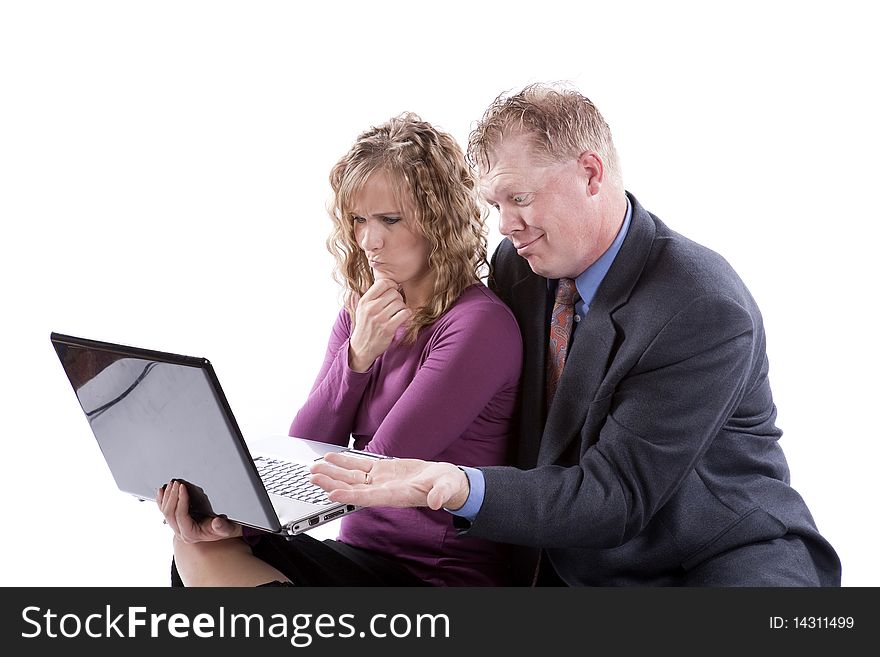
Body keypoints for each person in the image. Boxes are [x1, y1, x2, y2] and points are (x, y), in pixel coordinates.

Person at [311, 83, 843, 587]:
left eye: (519, 198)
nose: (505, 225)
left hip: (707, 561)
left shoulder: (700, 305)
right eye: (495, 205)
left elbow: (615, 495)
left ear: (591, 174)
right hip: (570, 558)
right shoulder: (523, 266)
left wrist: (462, 485)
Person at [159, 113, 523, 586]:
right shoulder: (364, 313)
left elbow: (377, 472)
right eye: (358, 220)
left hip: (431, 577)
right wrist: (356, 357)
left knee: (213, 558)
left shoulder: (478, 325)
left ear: (440, 220)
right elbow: (305, 446)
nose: (370, 241)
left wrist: (244, 526)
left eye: (390, 220)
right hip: (358, 555)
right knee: (196, 540)